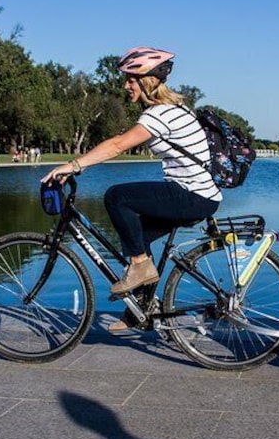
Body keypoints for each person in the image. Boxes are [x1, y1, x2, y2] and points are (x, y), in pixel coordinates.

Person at [42, 46, 222, 332]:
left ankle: (140, 268)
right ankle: (142, 308)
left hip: (191, 195)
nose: (126, 86)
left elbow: (117, 144)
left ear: (147, 79)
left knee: (117, 196)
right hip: (198, 195)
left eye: (130, 79)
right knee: (136, 238)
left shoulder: (160, 114)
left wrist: (74, 165)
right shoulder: (172, 110)